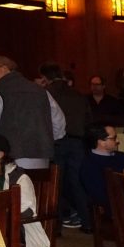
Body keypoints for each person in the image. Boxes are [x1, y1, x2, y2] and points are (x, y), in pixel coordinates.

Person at [0, 56, 66, 170]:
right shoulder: (41, 91)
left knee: (13, 182)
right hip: (42, 156)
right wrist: (44, 139)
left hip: (12, 156)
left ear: (4, 68)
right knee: (38, 182)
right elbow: (59, 122)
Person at [39, 62, 92, 232]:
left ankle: (55, 226)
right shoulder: (78, 94)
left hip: (56, 142)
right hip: (77, 142)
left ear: (44, 78)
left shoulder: (45, 94)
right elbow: (88, 119)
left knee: (55, 183)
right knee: (78, 182)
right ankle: (87, 223)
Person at [80, 124, 124, 212]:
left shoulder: (123, 157)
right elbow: (100, 196)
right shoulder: (90, 164)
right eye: (114, 138)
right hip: (114, 210)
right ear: (101, 142)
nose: (118, 141)